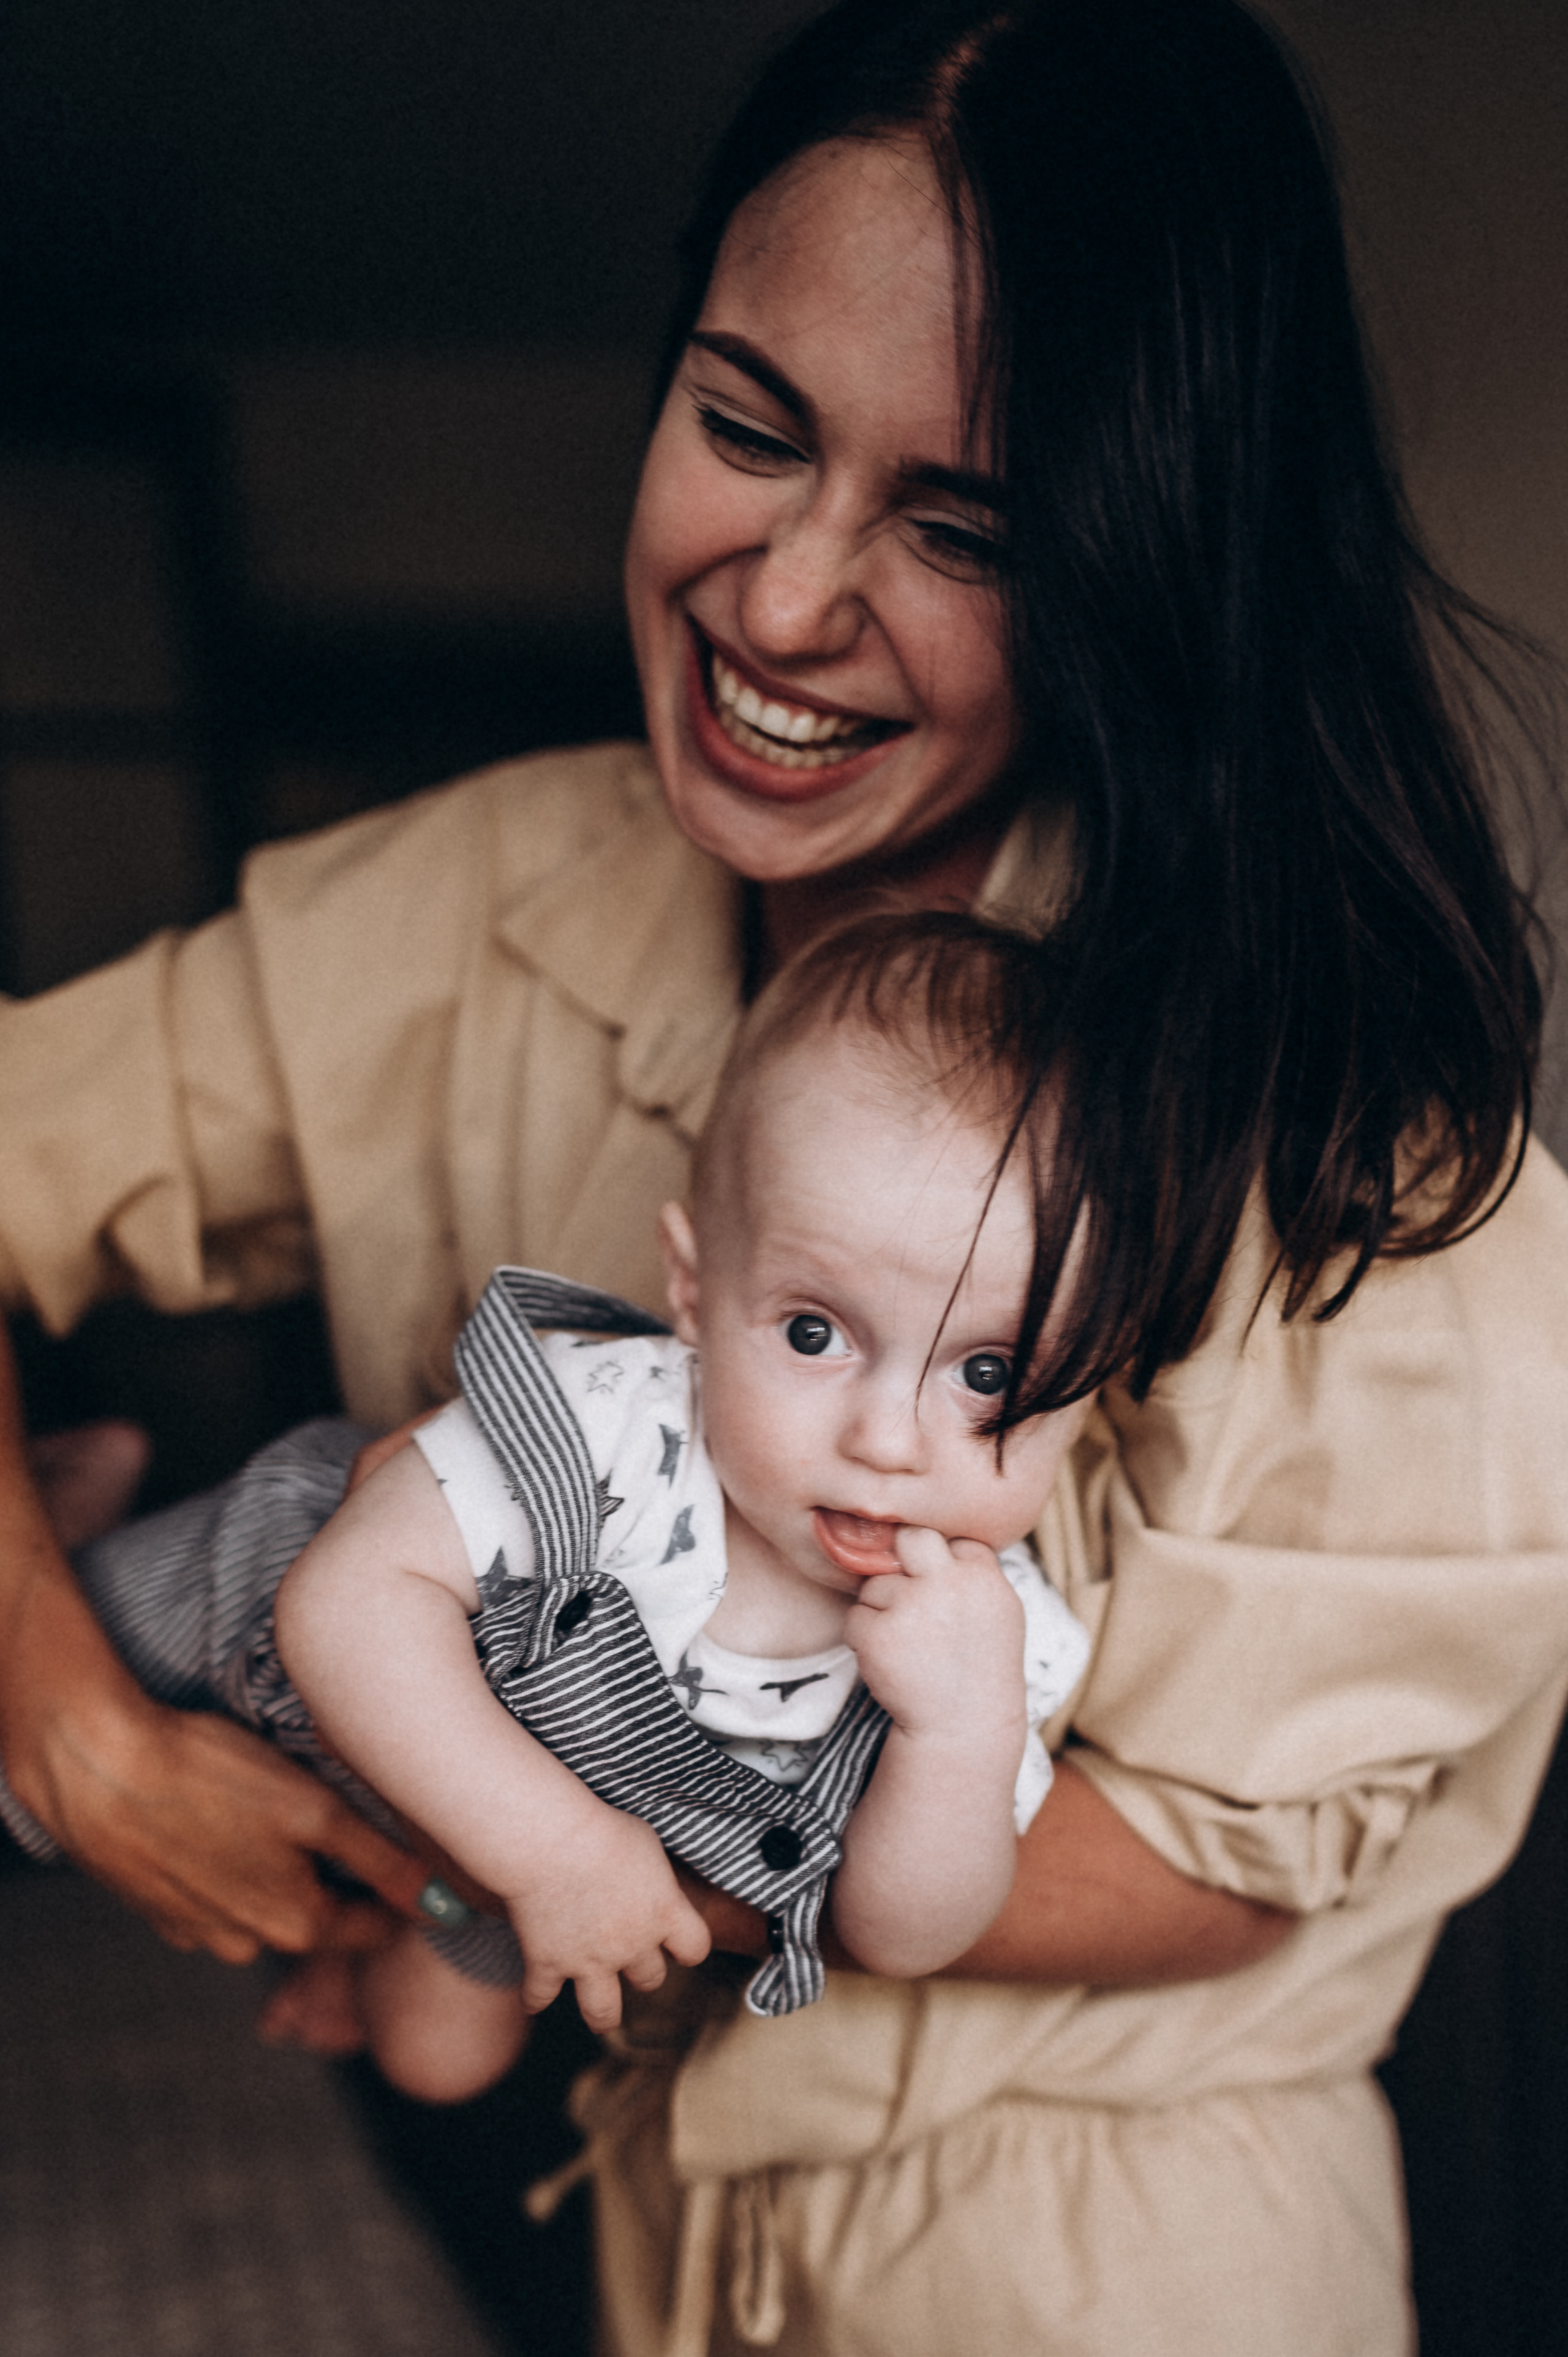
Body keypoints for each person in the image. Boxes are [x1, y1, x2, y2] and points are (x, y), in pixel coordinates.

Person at [1, 0, 1566, 2348]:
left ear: (1143, 569)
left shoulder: (1365, 1131)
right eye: (747, 428)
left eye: (965, 529)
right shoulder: (482, 892)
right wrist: (70, 1717)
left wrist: (481, 1806)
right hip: (650, 2242)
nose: (787, 601)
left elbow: (1218, 1862)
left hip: (1112, 2275)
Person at [3, 915, 1093, 2100]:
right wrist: (560, 1850)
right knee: (27, 1785)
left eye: (989, 1375)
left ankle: (349, 1941)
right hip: (285, 1618)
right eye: (815, 1335)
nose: (887, 1441)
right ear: (691, 1287)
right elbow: (344, 1605)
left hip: (496, 1807)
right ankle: (74, 1525)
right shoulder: (615, 1420)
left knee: (439, 2065)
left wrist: (957, 1739)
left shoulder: (994, 1647)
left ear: (1098, 1389)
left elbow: (894, 1935)